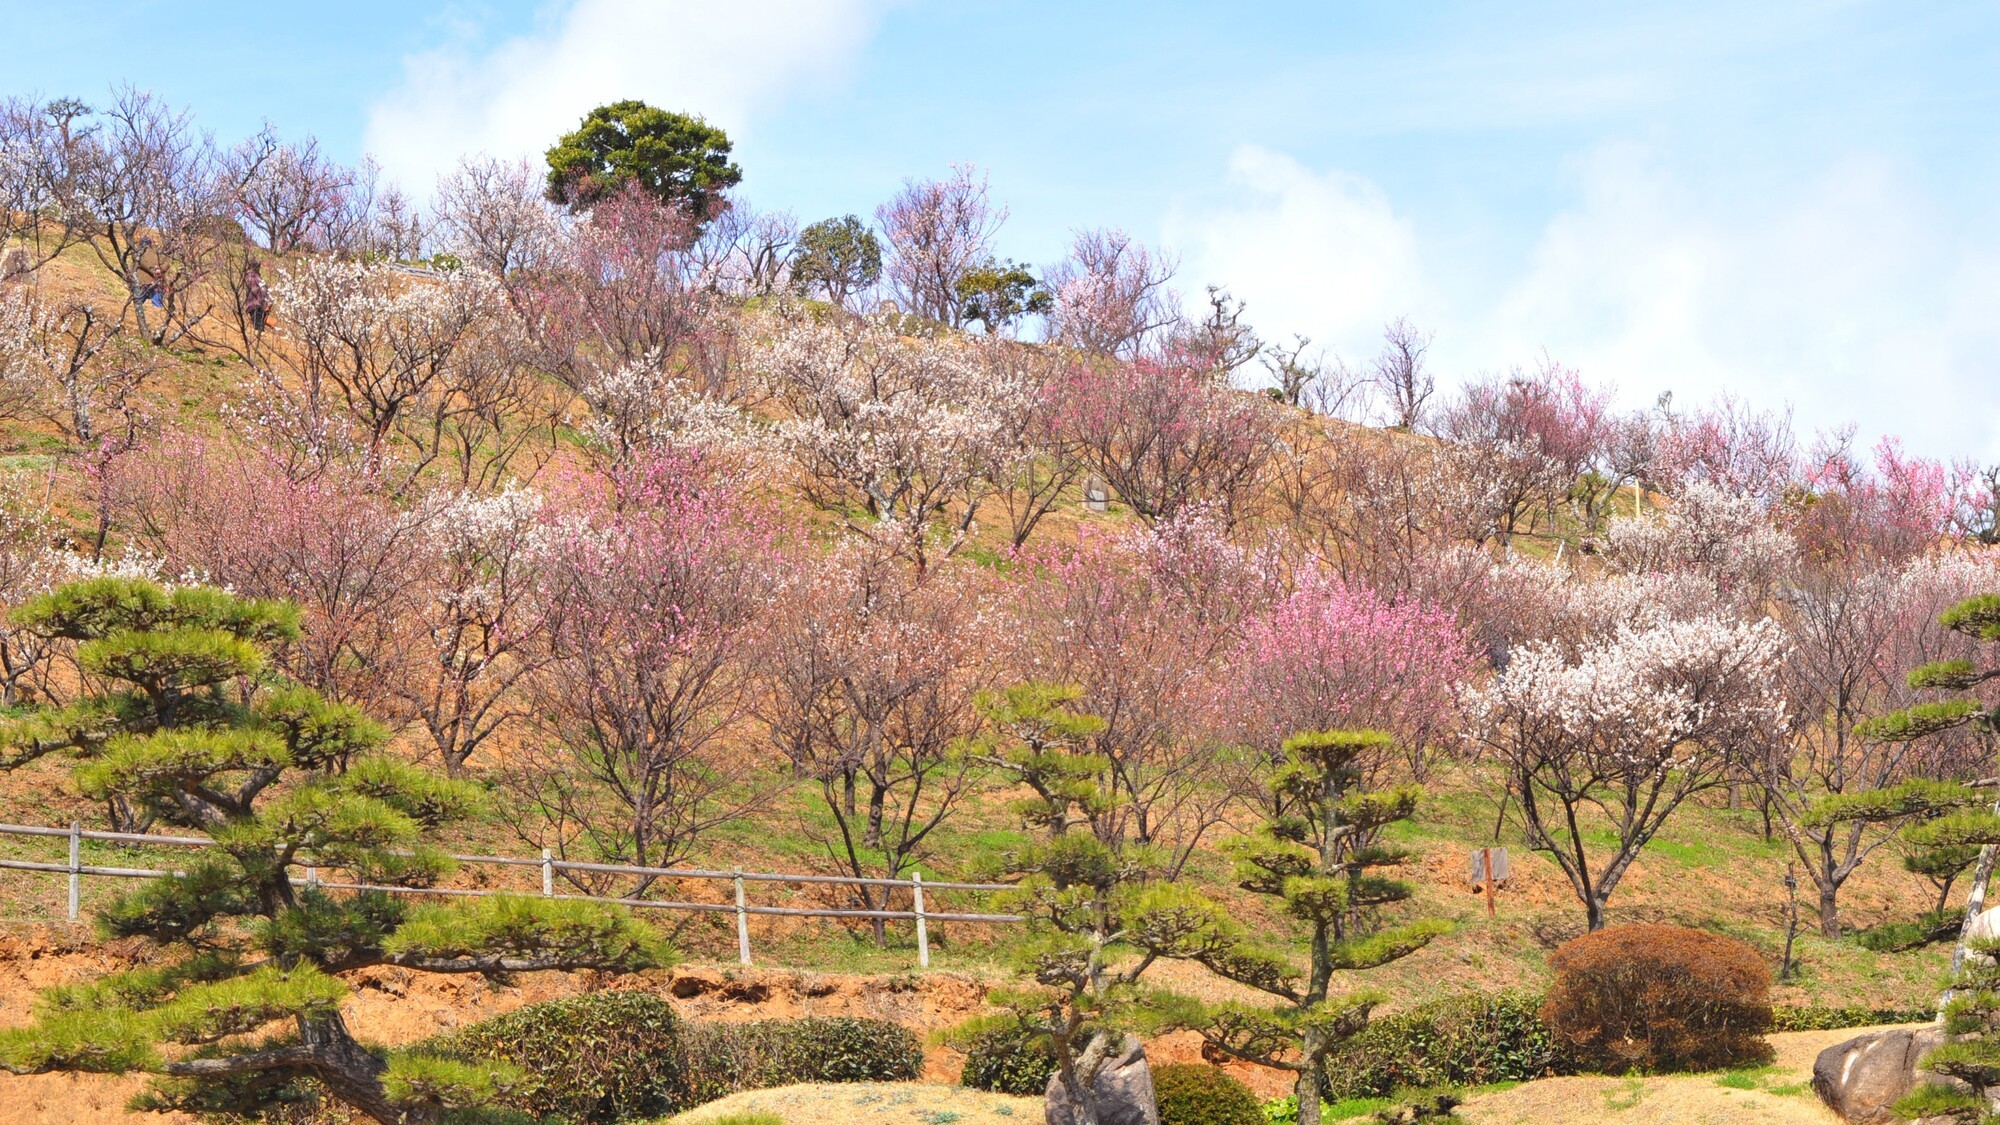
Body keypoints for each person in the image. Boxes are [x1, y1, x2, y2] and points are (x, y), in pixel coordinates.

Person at [243, 260, 270, 333]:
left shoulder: (250, 276)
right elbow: (257, 291)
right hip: (256, 306)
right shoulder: (253, 276)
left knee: (259, 328)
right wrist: (265, 303)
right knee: (259, 329)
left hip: (255, 305)